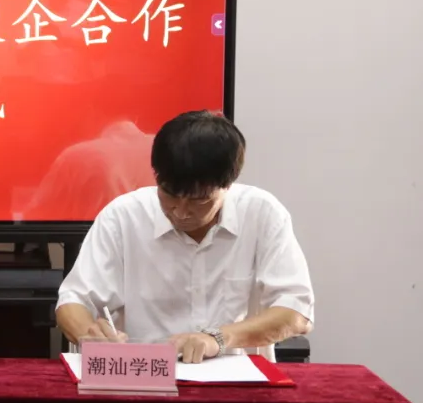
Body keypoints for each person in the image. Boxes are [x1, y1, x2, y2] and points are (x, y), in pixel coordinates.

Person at [56, 110, 314, 363]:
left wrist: (218, 338)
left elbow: (297, 313)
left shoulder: (263, 214)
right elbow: (73, 300)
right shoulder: (123, 217)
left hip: (237, 382)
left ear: (227, 185)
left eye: (198, 201)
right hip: (145, 378)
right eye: (169, 194)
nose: (180, 212)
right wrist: (89, 335)